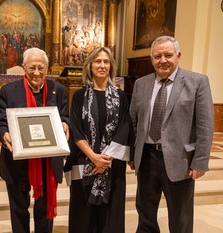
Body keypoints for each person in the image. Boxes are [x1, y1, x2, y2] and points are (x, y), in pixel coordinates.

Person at [129, 36, 214, 233]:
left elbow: (205, 125)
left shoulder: (197, 82)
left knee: (180, 217)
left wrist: (200, 161)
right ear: (151, 59)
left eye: (168, 55)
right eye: (157, 56)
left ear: (178, 55)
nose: (163, 60)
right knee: (145, 212)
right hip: (147, 158)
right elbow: (134, 121)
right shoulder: (142, 84)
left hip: (180, 160)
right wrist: (134, 154)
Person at [0, 47, 69, 233]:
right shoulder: (8, 91)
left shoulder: (58, 90)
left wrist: (66, 124)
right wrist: (4, 135)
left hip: (48, 161)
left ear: (47, 68)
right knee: (19, 208)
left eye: (41, 68)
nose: (36, 73)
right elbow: (0, 123)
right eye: (32, 68)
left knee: (44, 209)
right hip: (17, 161)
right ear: (23, 68)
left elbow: (65, 117)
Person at [64, 47, 134, 233]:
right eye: (98, 61)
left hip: (112, 164)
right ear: (90, 66)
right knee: (83, 214)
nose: (102, 65)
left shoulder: (120, 97)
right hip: (85, 162)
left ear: (111, 66)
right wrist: (94, 157)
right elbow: (76, 129)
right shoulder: (80, 96)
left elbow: (124, 127)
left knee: (110, 214)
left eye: (106, 61)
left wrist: (105, 159)